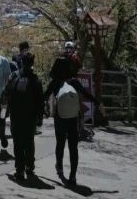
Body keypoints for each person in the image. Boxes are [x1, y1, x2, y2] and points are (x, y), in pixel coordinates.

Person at [6, 52, 44, 182]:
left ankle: (19, 170)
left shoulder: (14, 76)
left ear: (21, 62)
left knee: (18, 143)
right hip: (30, 117)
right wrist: (40, 118)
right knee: (29, 141)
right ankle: (30, 166)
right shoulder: (36, 80)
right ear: (32, 64)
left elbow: (6, 94)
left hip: (16, 115)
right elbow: (40, 100)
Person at [45, 56, 81, 186]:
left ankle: (59, 167)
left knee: (60, 143)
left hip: (60, 117)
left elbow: (44, 96)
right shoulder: (74, 82)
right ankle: (73, 176)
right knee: (73, 146)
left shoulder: (54, 83)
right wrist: (98, 103)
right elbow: (87, 94)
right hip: (73, 117)